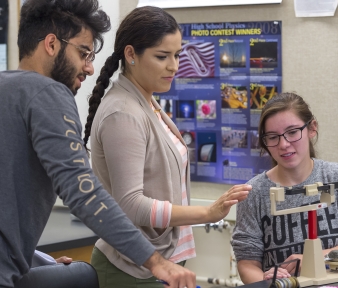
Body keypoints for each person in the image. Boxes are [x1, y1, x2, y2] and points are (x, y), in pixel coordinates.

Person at [0, 0, 196, 287]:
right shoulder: (47, 93)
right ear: (51, 44)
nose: (90, 68)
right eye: (84, 53)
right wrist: (156, 262)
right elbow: (83, 191)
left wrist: (35, 258)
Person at [82, 6, 251, 287]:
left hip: (164, 261)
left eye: (177, 55)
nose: (174, 66)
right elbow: (131, 205)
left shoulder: (146, 101)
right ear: (131, 54)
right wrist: (208, 213)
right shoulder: (123, 113)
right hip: (131, 269)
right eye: (162, 57)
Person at [231, 92, 338, 283]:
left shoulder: (337, 178)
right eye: (272, 137)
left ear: (311, 128)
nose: (283, 144)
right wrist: (270, 283)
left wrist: (314, 258)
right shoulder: (254, 192)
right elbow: (247, 263)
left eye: (292, 132)